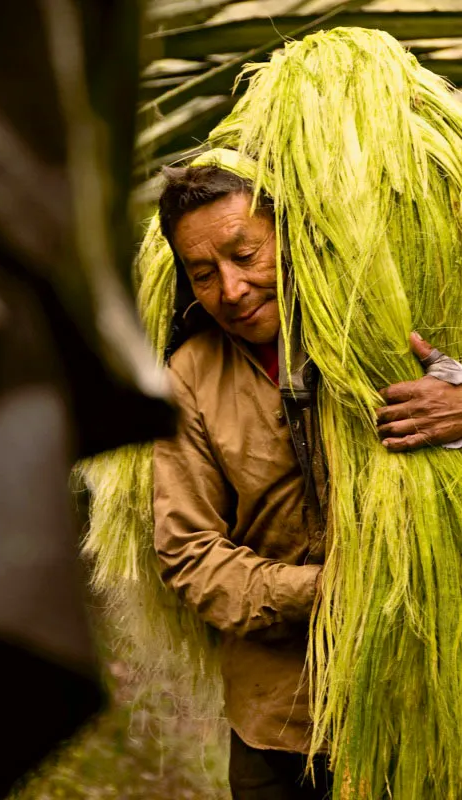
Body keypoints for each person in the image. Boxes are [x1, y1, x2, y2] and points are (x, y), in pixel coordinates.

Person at [152, 164, 462, 799]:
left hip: (432, 697)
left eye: (245, 254)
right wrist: (328, 595)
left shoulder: (393, 326)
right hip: (284, 720)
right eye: (203, 273)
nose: (232, 290)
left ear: (290, 234)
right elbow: (187, 555)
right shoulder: (190, 374)